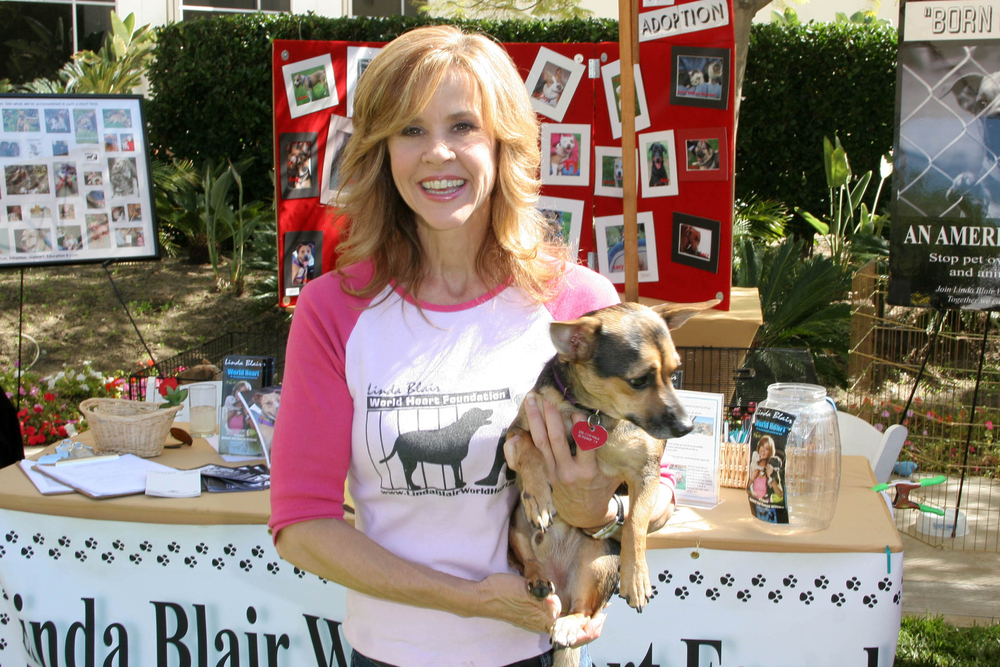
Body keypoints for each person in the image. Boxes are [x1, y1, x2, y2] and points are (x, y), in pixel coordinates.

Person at [268, 26, 677, 667]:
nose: (438, 153)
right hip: (389, 655)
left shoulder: (580, 308)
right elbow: (301, 526)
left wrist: (602, 509)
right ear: (381, 151)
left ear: (503, 142)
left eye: (463, 126)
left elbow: (659, 483)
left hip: (537, 653)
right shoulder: (332, 310)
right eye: (410, 129)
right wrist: (470, 601)